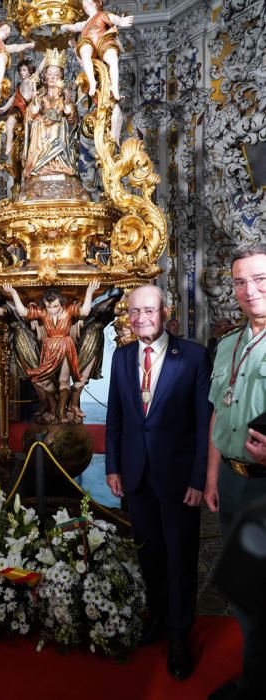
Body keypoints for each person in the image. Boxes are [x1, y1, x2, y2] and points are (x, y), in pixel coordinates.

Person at [106, 284, 212, 680]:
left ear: (165, 313)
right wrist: (113, 468)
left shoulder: (194, 357)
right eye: (134, 312)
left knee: (180, 557)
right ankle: (158, 618)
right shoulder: (120, 357)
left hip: (179, 479)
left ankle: (181, 635)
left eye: (148, 310)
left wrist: (200, 478)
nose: (140, 318)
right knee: (148, 554)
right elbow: (116, 417)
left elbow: (204, 425)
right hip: (136, 476)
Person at [204, 243, 266, 700]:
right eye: (241, 281)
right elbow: (216, 416)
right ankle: (253, 678)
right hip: (231, 478)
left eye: (260, 279)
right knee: (244, 589)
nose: (250, 290)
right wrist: (211, 477)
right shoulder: (228, 343)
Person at [3, 281, 100, 423]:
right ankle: (53, 407)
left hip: (66, 346)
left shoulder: (68, 311)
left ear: (61, 303)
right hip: (49, 349)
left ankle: (61, 412)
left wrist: (90, 292)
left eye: (55, 306)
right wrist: (13, 293)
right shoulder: (43, 313)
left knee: (64, 381)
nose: (52, 310)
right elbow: (23, 312)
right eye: (49, 307)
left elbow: (84, 312)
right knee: (42, 379)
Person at [61, 0, 134, 100]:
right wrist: (64, 27)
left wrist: (121, 21)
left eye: (87, 1)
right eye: (84, 4)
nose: (85, 4)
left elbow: (113, 18)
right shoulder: (85, 23)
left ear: (96, 3)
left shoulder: (102, 15)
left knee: (113, 59)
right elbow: (74, 27)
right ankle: (92, 82)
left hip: (102, 41)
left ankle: (114, 88)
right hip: (89, 42)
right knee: (85, 52)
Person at [22, 54, 78, 181]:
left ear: (61, 78)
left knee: (58, 125)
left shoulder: (65, 97)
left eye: (56, 74)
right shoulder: (39, 96)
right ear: (45, 77)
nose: (53, 77)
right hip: (40, 132)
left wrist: (68, 105)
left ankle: (59, 164)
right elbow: (28, 119)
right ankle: (38, 166)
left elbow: (72, 120)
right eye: (50, 74)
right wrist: (34, 112)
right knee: (38, 123)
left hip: (58, 130)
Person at [0, 59, 37, 156]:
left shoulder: (31, 82)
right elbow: (13, 97)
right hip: (18, 108)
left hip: (27, 110)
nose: (21, 73)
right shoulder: (19, 85)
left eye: (24, 70)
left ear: (29, 71)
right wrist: (4, 108)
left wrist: (46, 58)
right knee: (9, 124)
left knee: (32, 133)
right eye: (20, 71)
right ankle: (9, 145)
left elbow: (39, 70)